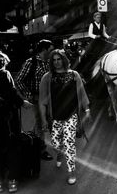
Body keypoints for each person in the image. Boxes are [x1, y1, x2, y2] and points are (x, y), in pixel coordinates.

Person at [39, 49, 91, 185]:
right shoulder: (47, 77)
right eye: (54, 60)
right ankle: (60, 152)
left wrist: (87, 109)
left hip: (71, 116)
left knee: (69, 144)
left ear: (64, 59)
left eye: (59, 59)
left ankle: (71, 171)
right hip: (55, 117)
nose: (57, 62)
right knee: (56, 144)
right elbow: (42, 101)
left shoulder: (74, 75)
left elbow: (82, 92)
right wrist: (44, 120)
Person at [0, 51, 33, 193]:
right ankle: (12, 181)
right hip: (6, 119)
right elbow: (12, 93)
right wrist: (23, 103)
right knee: (12, 147)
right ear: (3, 62)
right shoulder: (4, 74)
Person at [15, 39, 54, 161]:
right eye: (51, 50)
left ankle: (33, 140)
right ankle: (40, 149)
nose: (53, 52)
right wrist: (28, 94)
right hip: (37, 98)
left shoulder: (51, 62)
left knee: (50, 120)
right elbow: (19, 80)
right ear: (44, 50)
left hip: (51, 97)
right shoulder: (31, 62)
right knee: (40, 123)